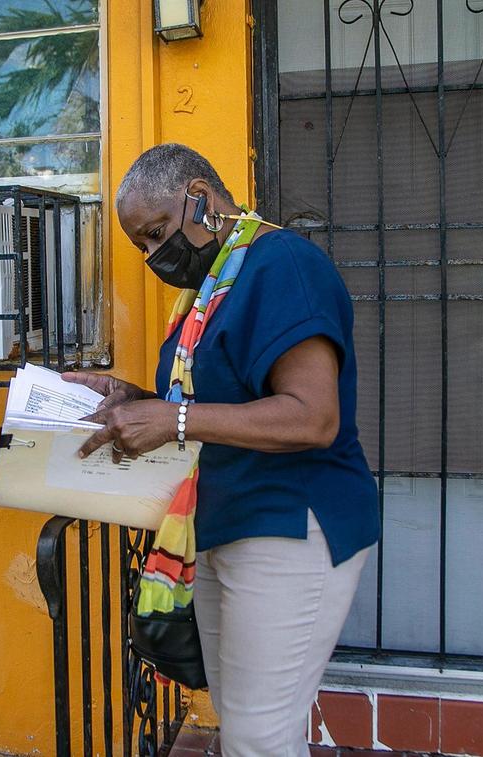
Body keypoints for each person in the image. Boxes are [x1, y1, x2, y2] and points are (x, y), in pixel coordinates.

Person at [65, 143, 379, 757]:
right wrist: (129, 397)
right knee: (244, 727)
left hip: (291, 524)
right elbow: (212, 399)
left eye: (157, 233)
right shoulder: (215, 285)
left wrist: (173, 418)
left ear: (201, 199)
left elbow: (313, 417)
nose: (155, 256)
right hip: (223, 526)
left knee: (261, 736)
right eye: (142, 246)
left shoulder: (280, 262)